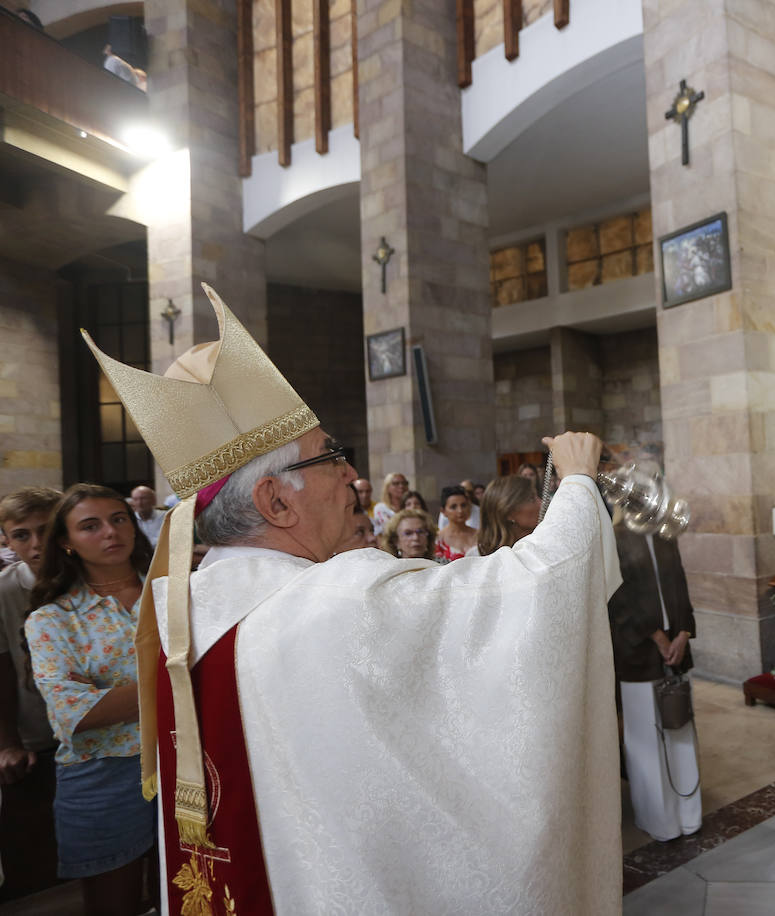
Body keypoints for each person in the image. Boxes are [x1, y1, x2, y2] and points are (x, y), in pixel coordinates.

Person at [83, 285, 622, 913]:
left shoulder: (190, 613)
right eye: (331, 457)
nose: (351, 475)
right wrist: (580, 480)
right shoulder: (339, 602)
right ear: (276, 502)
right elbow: (538, 592)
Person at [24, 484, 156, 916]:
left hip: (186, 759)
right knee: (112, 904)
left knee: (188, 895)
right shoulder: (52, 620)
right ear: (66, 542)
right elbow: (73, 714)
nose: (110, 532)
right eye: (90, 525)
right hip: (103, 773)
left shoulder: (176, 594)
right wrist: (182, 679)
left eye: (119, 519)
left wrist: (111, 694)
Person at [607, 519, 701, 843]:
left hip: (676, 646)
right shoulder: (615, 536)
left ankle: (689, 816)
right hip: (638, 652)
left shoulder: (665, 533)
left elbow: (680, 584)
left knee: (680, 729)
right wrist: (658, 637)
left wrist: (684, 632)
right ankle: (659, 821)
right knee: (646, 736)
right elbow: (617, 596)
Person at [0, 487, 61, 900]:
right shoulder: (5, 591)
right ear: (6, 540)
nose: (36, 545)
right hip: (34, 735)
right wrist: (7, 743)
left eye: (47, 530)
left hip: (100, 735)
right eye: (22, 535)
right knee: (36, 857)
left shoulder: (97, 576)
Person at [476, 475, 541, 556]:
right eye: (531, 499)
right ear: (508, 512)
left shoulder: (544, 542)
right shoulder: (500, 560)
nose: (541, 503)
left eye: (537, 496)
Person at [434, 486, 478, 562]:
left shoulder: (480, 535)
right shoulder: (438, 539)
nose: (460, 510)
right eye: (453, 507)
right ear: (443, 511)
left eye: (463, 505)